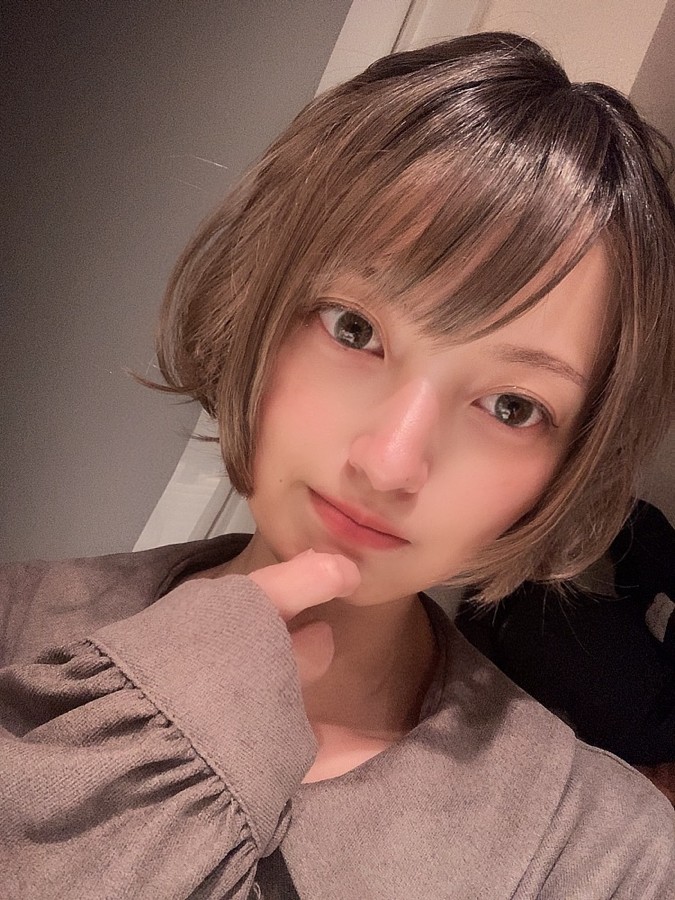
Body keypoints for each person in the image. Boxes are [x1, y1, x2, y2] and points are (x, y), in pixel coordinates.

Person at [2, 31, 675, 899]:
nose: (390, 463)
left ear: (569, 464)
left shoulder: (600, 859)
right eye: (353, 330)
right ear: (258, 297)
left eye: (511, 406)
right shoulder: (21, 625)